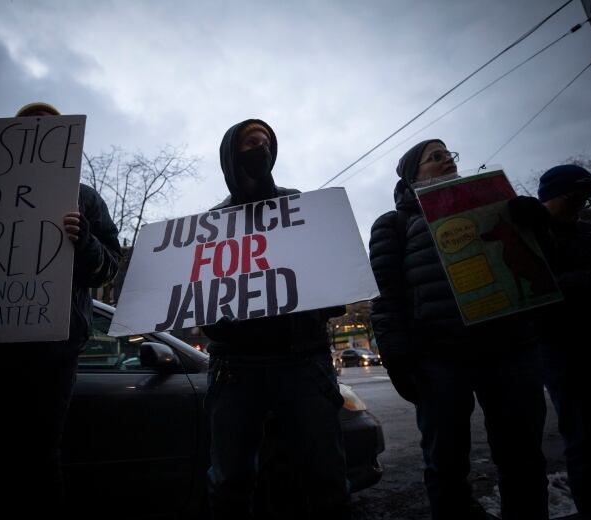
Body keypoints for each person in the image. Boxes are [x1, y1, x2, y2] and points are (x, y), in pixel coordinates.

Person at [0, 102, 122, 511]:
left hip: (49, 355)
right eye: (28, 126)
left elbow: (107, 268)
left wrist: (85, 241)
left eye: (49, 128)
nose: (38, 132)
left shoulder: (85, 198)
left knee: (38, 460)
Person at [368, 139, 549, 520]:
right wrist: (399, 356)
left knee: (523, 456)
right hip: (439, 357)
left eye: (449, 154)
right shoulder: (393, 224)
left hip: (510, 348)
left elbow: (536, 265)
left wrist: (536, 225)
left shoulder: (490, 207)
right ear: (411, 175)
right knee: (446, 461)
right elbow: (385, 297)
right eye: (434, 157)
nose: (447, 160)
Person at [202, 119, 350, 519]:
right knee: (230, 480)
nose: (261, 148)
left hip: (303, 361)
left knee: (326, 476)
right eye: (251, 143)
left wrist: (329, 294)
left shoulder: (296, 205)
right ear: (232, 155)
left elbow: (325, 277)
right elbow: (203, 309)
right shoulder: (211, 225)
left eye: (266, 143)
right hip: (235, 368)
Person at [510, 164, 591, 520]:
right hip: (565, 350)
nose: (579, 204)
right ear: (550, 197)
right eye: (571, 197)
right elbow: (530, 289)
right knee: (585, 443)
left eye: (584, 198)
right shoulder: (531, 235)